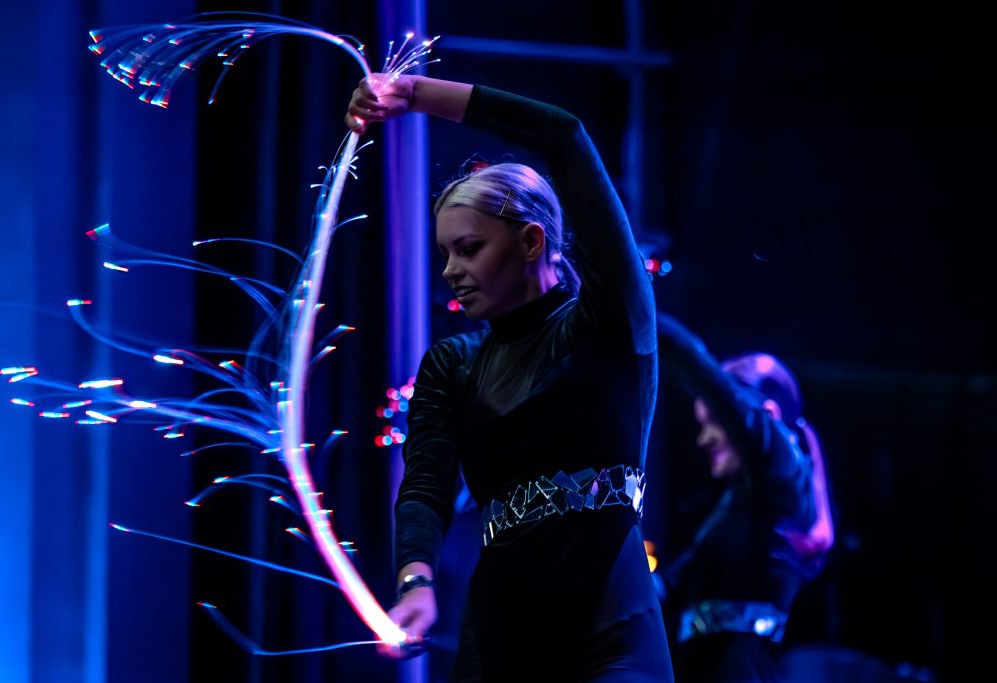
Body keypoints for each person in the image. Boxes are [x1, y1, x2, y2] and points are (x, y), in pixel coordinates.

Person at [345, 74, 675, 681]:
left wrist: (414, 95)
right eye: (445, 253)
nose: (450, 270)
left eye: (468, 248)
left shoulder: (608, 324)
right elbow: (425, 487)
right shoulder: (452, 364)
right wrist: (415, 581)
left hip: (611, 631)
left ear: (530, 242)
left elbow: (564, 136)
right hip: (499, 634)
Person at [651, 313, 834, 683]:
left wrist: (637, 306)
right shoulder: (736, 507)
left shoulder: (784, 469)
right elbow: (669, 585)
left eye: (713, 422)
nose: (703, 439)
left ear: (766, 416)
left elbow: (702, 373)